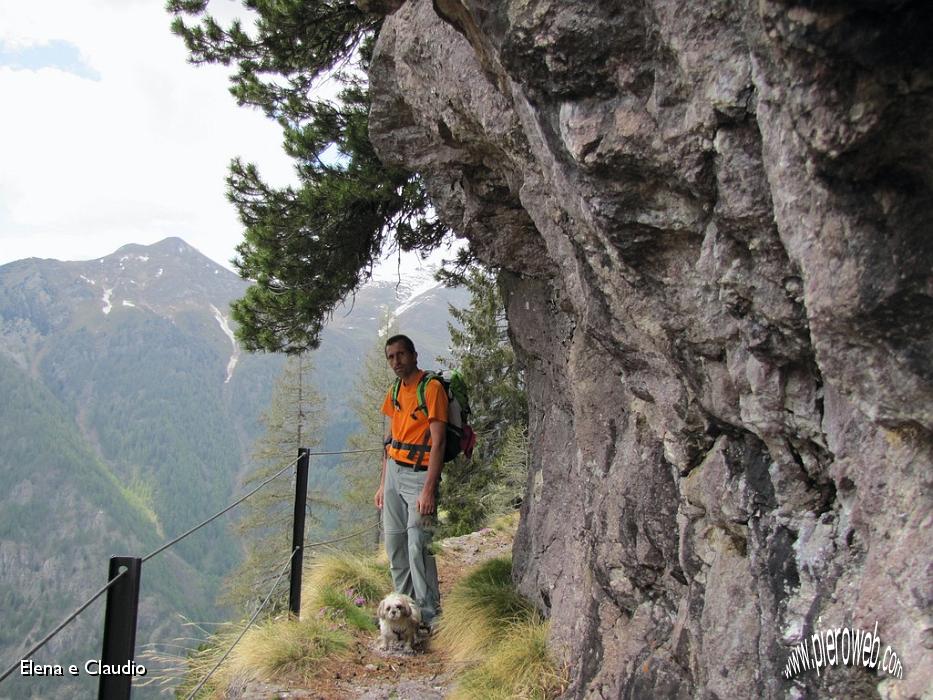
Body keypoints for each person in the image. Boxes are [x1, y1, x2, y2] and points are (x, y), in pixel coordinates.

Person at [374, 334, 447, 630]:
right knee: (395, 545)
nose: (396, 362)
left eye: (401, 355)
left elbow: (439, 442)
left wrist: (429, 489)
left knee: (418, 545)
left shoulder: (430, 389)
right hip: (394, 471)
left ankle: (429, 614)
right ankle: (403, 611)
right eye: (391, 357)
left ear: (414, 355)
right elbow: (390, 441)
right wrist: (382, 484)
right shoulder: (394, 391)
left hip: (419, 475)